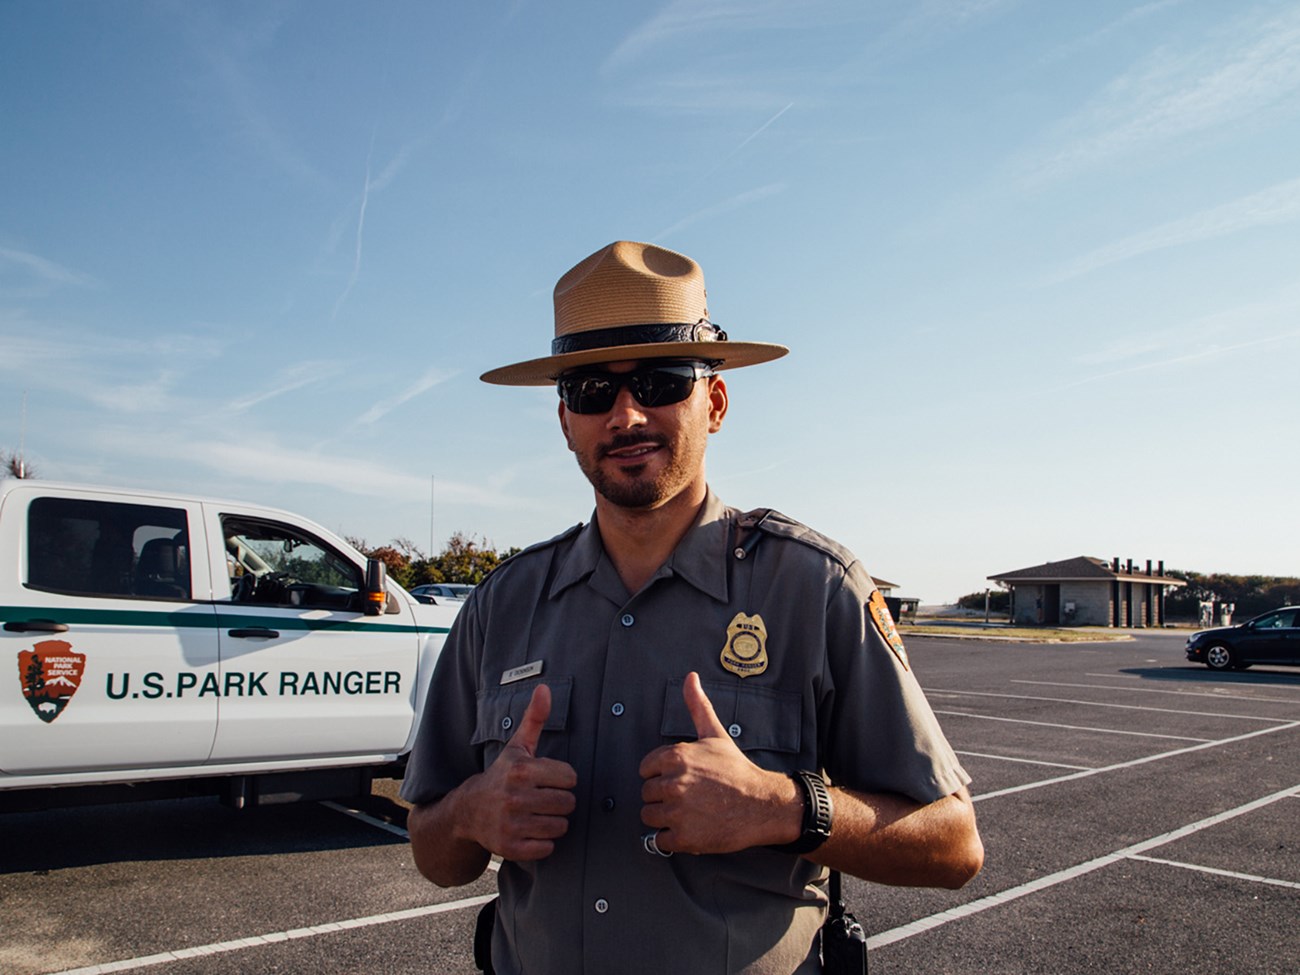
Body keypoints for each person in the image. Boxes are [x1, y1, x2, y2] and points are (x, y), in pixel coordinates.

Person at [402, 240, 983, 974]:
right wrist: (471, 812)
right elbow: (433, 848)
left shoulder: (814, 588)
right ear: (563, 420)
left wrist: (781, 807)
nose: (626, 414)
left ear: (714, 401)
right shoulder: (500, 607)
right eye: (591, 391)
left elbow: (955, 842)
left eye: (660, 380)